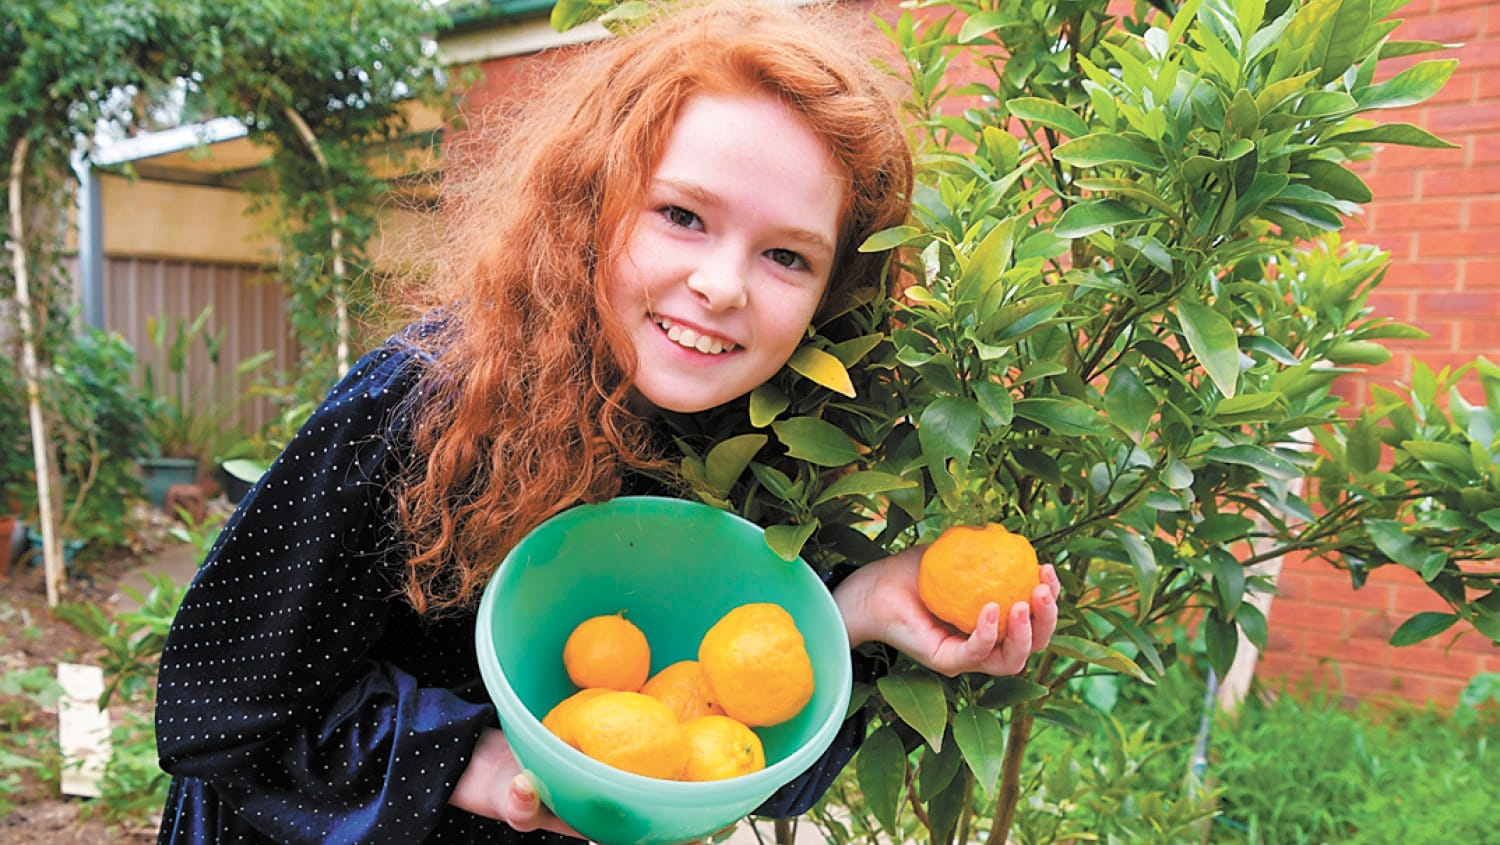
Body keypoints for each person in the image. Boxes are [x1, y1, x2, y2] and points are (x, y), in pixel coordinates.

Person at [153, 2, 1061, 842]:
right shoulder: (420, 402)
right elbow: (218, 710)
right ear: (591, 201)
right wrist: (468, 756)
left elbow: (719, 754)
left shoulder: (763, 441)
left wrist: (853, 611)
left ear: (832, 292)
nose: (723, 285)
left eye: (787, 255)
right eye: (682, 215)